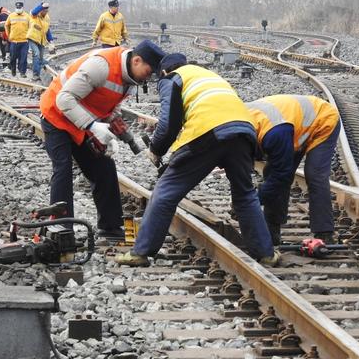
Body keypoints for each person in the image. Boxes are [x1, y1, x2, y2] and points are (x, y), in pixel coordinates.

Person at [116, 53, 280, 267]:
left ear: (165, 71)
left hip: (208, 131)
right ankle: (265, 253)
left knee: (165, 192)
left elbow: (167, 124)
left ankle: (141, 252)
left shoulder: (171, 78)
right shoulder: (209, 75)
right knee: (245, 194)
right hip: (243, 131)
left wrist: (156, 149)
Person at [39, 40, 166, 238]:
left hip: (84, 119)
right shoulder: (101, 66)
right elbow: (64, 99)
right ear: (137, 60)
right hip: (57, 117)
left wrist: (121, 132)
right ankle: (61, 229)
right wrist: (92, 126)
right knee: (62, 168)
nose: (149, 78)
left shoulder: (131, 79)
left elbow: (111, 106)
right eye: (149, 72)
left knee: (104, 168)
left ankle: (110, 227)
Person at [246, 95, 341, 246]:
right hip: (292, 126)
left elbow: (280, 175)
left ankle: (324, 233)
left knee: (314, 174)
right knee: (272, 173)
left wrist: (254, 201)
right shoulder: (243, 125)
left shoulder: (273, 134)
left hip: (323, 120)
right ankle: (271, 233)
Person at [28, 2, 54, 81]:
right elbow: (34, 11)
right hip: (33, 38)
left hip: (41, 40)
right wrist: (41, 6)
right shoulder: (35, 15)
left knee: (41, 58)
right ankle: (35, 75)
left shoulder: (47, 18)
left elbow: (47, 30)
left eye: (47, 11)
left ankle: (39, 73)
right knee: (36, 54)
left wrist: (51, 40)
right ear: (41, 10)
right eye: (44, 10)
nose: (45, 12)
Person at [5, 2, 30, 77]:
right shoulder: (11, 16)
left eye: (20, 8)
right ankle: (13, 70)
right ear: (15, 8)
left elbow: (31, 26)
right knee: (13, 57)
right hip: (14, 41)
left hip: (24, 41)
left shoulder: (27, 16)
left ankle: (22, 72)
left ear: (22, 8)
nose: (18, 9)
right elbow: (6, 25)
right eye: (17, 8)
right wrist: (8, 35)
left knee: (23, 58)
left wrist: (29, 36)